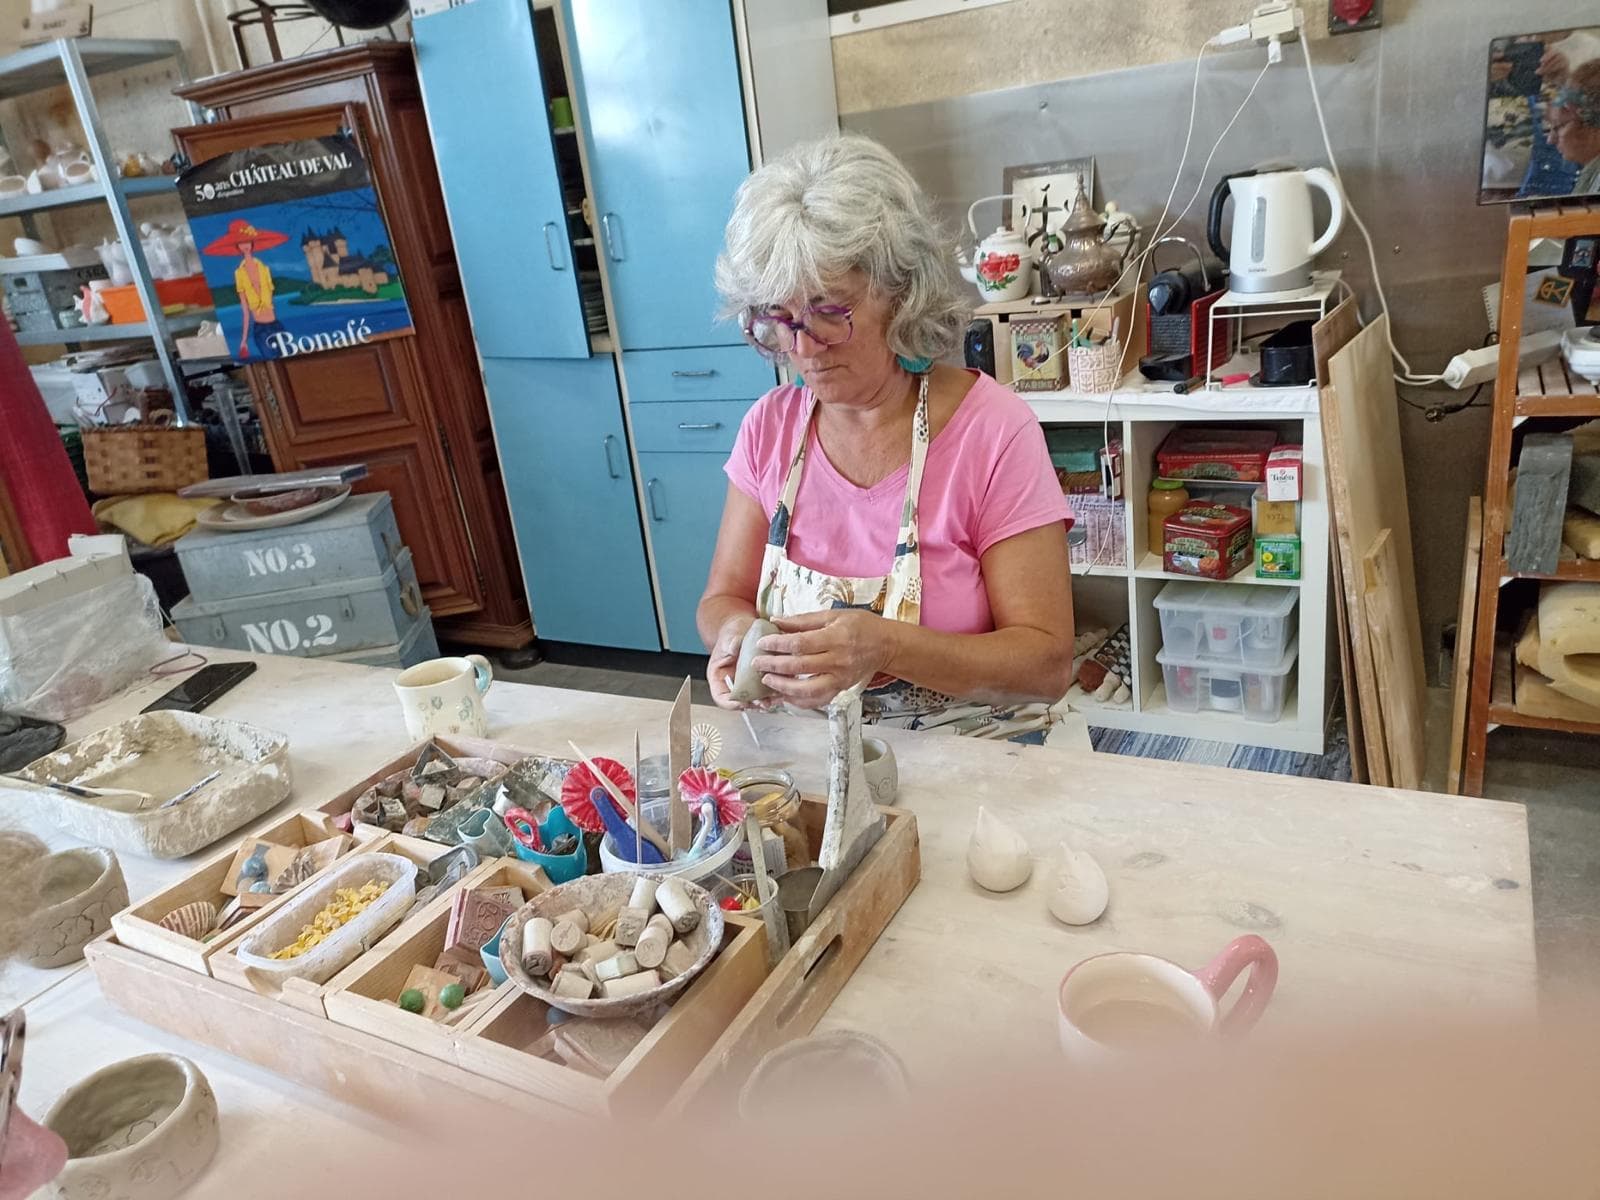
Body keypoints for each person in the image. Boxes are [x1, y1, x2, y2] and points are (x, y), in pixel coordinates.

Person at [699, 134, 1076, 742]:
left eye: (829, 312)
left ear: (901, 293)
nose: (802, 348)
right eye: (781, 318)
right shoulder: (769, 428)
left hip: (978, 749)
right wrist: (735, 636)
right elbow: (722, 597)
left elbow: (1046, 665)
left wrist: (887, 647)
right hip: (811, 748)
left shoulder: (994, 431)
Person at [202, 218, 291, 359]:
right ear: (236, 246)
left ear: (253, 243)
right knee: (273, 362)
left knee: (291, 359)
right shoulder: (239, 274)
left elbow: (274, 299)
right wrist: (243, 340)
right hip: (260, 328)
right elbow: (245, 311)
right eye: (240, 243)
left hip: (277, 325)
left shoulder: (264, 269)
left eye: (247, 241)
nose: (245, 246)